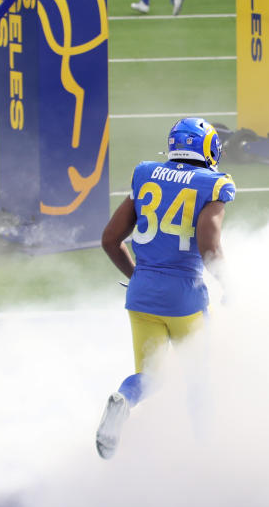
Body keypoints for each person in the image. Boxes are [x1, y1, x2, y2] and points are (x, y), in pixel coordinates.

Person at [96, 118, 235, 459]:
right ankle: (206, 452)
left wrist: (137, 276)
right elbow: (208, 244)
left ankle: (123, 400)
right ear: (208, 148)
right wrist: (228, 281)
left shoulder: (145, 173)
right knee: (199, 379)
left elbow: (111, 240)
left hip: (142, 292)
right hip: (185, 295)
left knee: (149, 377)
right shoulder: (214, 184)